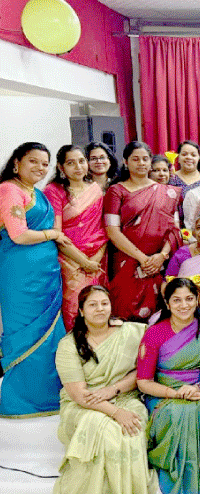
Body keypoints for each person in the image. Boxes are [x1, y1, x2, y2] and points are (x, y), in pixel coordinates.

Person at [53, 285, 157, 494]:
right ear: (81, 311)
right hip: (84, 405)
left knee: (132, 431)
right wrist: (116, 412)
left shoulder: (132, 333)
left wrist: (114, 390)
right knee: (105, 431)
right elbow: (79, 395)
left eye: (104, 303)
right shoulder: (68, 345)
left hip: (125, 397)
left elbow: (143, 371)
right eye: (93, 305)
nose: (100, 309)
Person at [136, 278, 200, 494]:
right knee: (176, 414)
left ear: (198, 300)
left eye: (189, 299)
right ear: (167, 303)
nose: (184, 305)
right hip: (164, 394)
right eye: (177, 300)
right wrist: (176, 393)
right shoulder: (154, 333)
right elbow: (143, 382)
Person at [0, 142, 66, 416]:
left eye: (45, 164)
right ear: (17, 163)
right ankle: (23, 400)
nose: (40, 168)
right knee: (26, 330)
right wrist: (53, 234)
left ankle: (51, 395)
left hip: (46, 274)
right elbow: (19, 235)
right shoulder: (9, 189)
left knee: (51, 331)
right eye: (33, 161)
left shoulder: (36, 193)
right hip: (21, 276)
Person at [104, 141, 182, 321]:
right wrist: (143, 259)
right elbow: (112, 231)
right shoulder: (116, 191)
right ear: (126, 162)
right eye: (135, 159)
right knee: (125, 314)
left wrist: (161, 256)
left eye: (145, 159)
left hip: (158, 264)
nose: (141, 163)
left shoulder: (167, 192)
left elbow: (174, 230)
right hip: (127, 262)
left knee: (158, 315)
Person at [45, 144, 108, 329]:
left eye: (81, 161)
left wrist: (94, 260)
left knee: (99, 306)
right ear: (61, 167)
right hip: (69, 260)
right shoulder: (54, 190)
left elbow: (103, 230)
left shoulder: (95, 190)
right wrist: (84, 262)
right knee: (74, 308)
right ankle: (75, 345)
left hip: (97, 259)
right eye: (71, 163)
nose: (78, 167)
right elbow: (57, 233)